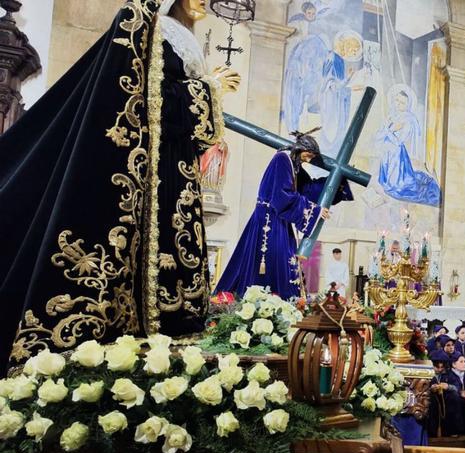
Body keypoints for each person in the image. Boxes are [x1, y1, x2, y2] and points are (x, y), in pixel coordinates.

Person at [0, 0, 239, 367]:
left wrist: (207, 90)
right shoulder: (147, 27)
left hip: (175, 172)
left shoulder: (180, 39)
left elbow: (185, 126)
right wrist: (210, 88)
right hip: (153, 175)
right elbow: (148, 103)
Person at [214, 130, 352, 300]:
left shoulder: (294, 165)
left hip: (279, 221)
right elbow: (281, 196)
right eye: (308, 156)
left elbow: (308, 188)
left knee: (285, 262)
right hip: (269, 221)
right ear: (301, 149)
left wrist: (337, 180)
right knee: (275, 262)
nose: (307, 160)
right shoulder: (282, 159)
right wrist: (314, 211)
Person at [440, 352, 465, 436]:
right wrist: (460, 392)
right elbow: (448, 389)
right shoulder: (447, 376)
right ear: (454, 364)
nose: (464, 364)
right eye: (461, 362)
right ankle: (454, 431)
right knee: (454, 399)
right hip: (453, 400)